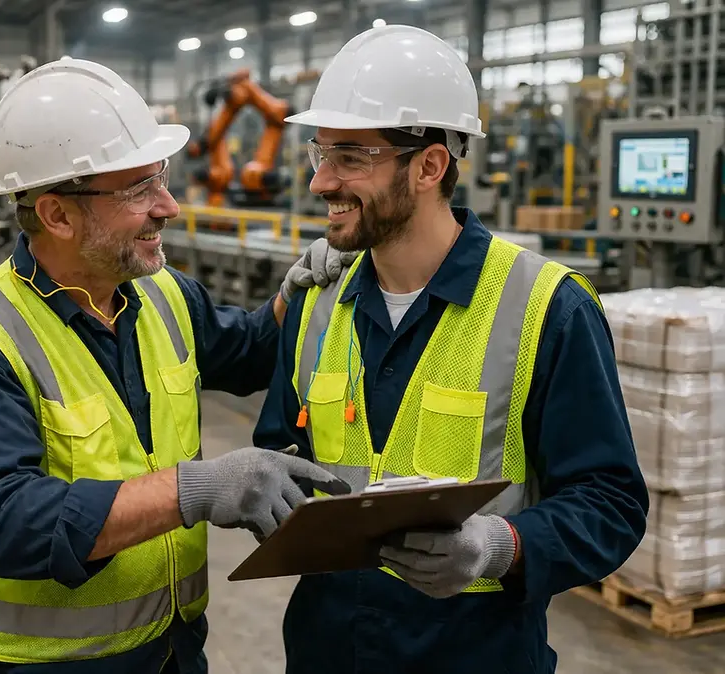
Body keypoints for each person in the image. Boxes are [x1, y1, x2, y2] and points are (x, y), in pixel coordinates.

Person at [0, 58, 352, 674]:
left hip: (172, 650)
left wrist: (292, 294)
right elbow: (3, 524)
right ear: (57, 215)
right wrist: (195, 490)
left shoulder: (163, 294)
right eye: (138, 190)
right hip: (41, 665)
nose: (168, 206)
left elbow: (249, 353)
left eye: (160, 179)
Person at [252, 25, 649, 673]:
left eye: (350, 157)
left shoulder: (547, 307)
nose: (320, 181)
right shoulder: (315, 303)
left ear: (430, 166)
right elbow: (284, 450)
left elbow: (609, 502)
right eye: (320, 153)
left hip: (474, 652)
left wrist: (500, 546)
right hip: (329, 647)